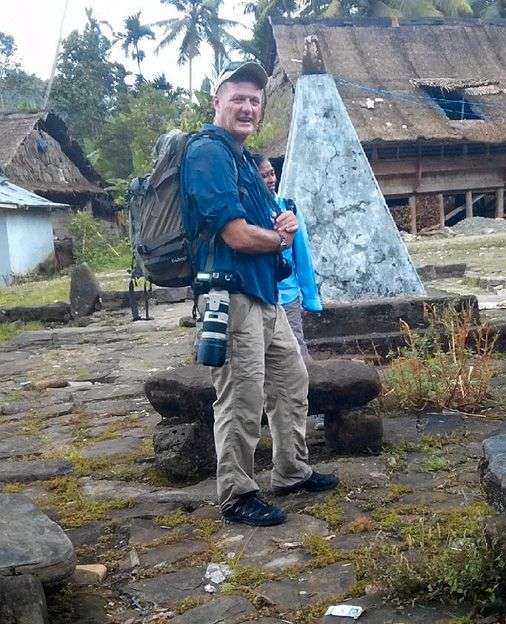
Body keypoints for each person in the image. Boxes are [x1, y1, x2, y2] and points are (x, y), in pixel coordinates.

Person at [181, 61, 337, 528]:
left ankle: (291, 470)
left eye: (254, 100)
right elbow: (236, 236)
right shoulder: (206, 154)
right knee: (241, 397)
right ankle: (236, 493)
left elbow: (268, 224)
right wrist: (281, 239)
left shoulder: (245, 161)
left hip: (265, 296)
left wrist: (282, 223)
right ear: (217, 102)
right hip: (231, 297)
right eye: (238, 98)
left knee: (292, 381)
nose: (247, 107)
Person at [255, 155, 322, 361]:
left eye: (272, 173)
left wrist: (310, 299)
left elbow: (302, 256)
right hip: (258, 297)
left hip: (288, 296)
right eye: (264, 176)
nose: (271, 179)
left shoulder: (288, 208)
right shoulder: (246, 214)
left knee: (297, 353)